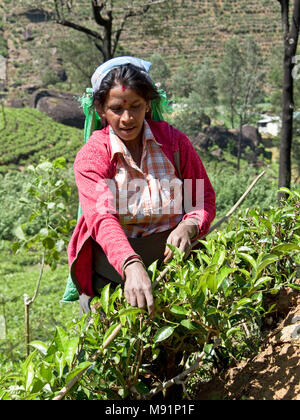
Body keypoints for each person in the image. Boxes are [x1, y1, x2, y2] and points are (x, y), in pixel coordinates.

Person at [66, 56, 216, 317]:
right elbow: (102, 219)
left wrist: (189, 225)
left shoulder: (173, 144)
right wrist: (131, 264)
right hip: (114, 279)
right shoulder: (94, 156)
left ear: (148, 104)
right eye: (116, 109)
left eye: (135, 106)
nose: (127, 118)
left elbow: (200, 199)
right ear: (100, 109)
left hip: (177, 274)